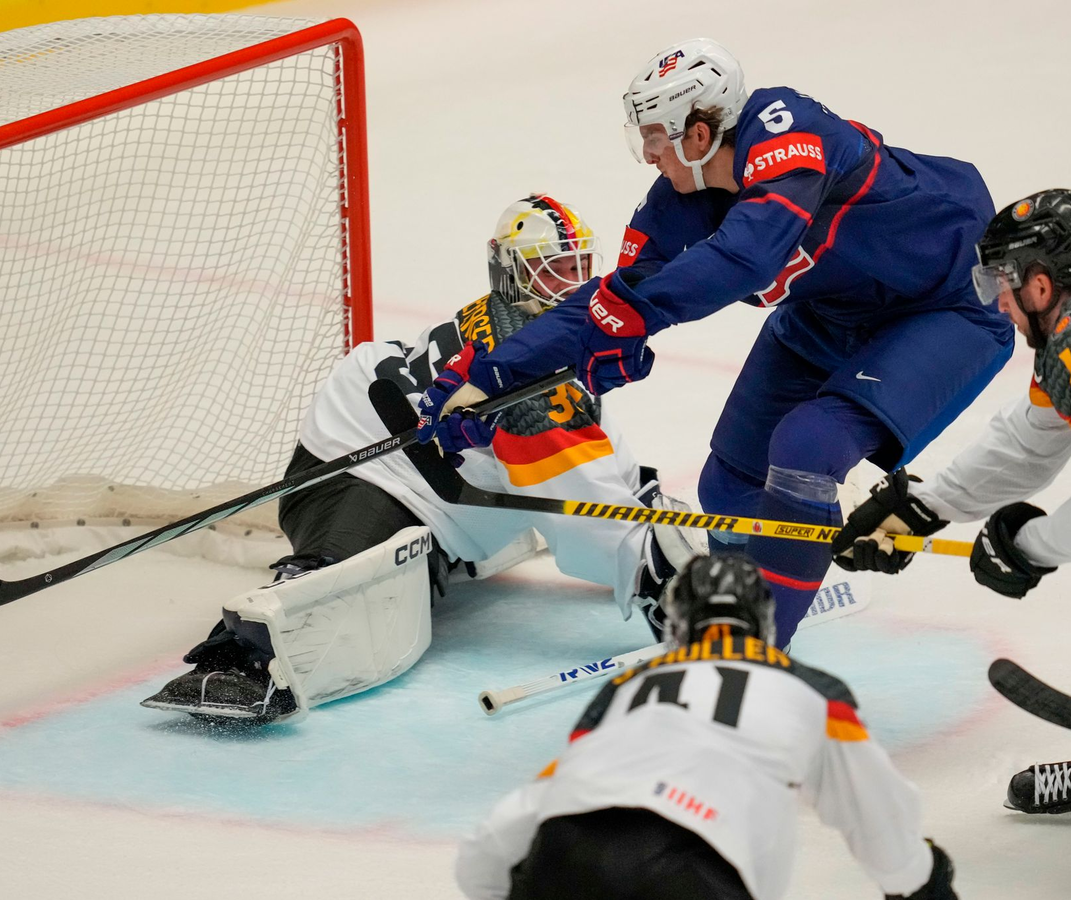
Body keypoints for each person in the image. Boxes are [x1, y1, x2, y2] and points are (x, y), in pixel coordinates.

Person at [416, 38, 1014, 650]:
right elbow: (612, 296)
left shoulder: (790, 131)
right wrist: (494, 377)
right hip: (834, 311)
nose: (648, 153)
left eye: (655, 136)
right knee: (728, 484)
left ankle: (751, 657)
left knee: (807, 447)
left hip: (950, 306)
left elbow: (743, 259)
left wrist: (631, 317)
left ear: (699, 134)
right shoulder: (682, 195)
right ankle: (732, 621)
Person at [141, 194, 700, 724]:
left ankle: (445, 553)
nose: (571, 284)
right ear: (511, 273)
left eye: (578, 267)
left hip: (430, 466)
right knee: (344, 578)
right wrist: (655, 574)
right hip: (362, 464)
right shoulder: (524, 375)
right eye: (551, 270)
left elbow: (597, 458)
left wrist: (652, 519)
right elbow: (583, 507)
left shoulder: (535, 332)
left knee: (480, 533)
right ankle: (239, 659)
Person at [455, 554, 957, 900]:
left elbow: (500, 835)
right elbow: (874, 813)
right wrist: (920, 878)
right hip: (699, 869)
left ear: (676, 627)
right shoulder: (814, 689)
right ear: (764, 625)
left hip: (565, 855)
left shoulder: (625, 688)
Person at [831, 188, 1071, 815]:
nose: (998, 302)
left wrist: (1032, 547)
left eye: (1001, 284)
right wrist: (925, 506)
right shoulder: (1064, 344)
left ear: (1039, 284)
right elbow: (1033, 440)